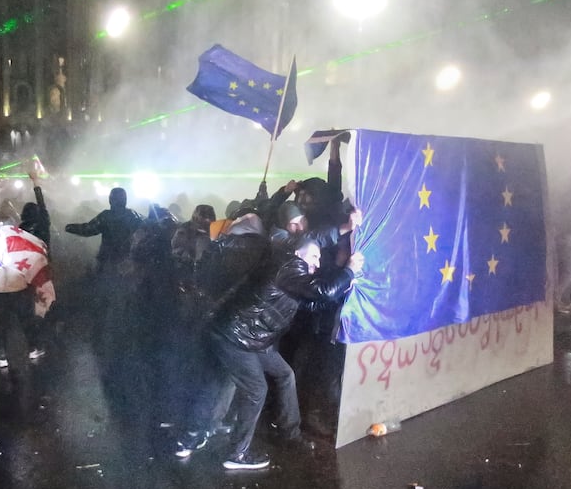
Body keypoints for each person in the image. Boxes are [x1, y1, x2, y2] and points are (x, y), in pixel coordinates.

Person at [181, 229, 356, 470]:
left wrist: (343, 285)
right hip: (236, 336)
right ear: (298, 254)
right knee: (255, 389)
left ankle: (289, 433)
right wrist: (348, 271)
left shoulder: (292, 271)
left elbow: (313, 301)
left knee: (284, 375)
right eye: (313, 257)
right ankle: (236, 453)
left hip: (252, 337)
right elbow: (321, 290)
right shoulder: (290, 266)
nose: (317, 262)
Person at [0, 209, 54, 413]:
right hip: (19, 288)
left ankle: (3, 355)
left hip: (0, 290)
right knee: (24, 319)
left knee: (3, 324)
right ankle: (32, 347)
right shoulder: (22, 239)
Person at [64, 187, 141, 268]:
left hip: (107, 260)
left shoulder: (106, 216)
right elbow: (146, 226)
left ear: (111, 200)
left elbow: (88, 229)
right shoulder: (132, 215)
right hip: (127, 261)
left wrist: (70, 228)